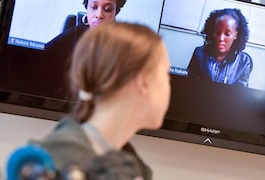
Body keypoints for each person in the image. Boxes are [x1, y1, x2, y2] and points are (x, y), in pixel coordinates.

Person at [30, 22, 171, 179]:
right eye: (166, 74)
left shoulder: (132, 169)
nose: (169, 84)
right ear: (143, 82)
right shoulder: (55, 164)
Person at [187, 8, 253, 87]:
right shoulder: (199, 54)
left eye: (227, 34)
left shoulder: (244, 62)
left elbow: (239, 95)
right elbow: (190, 86)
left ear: (236, 35)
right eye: (217, 33)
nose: (221, 38)